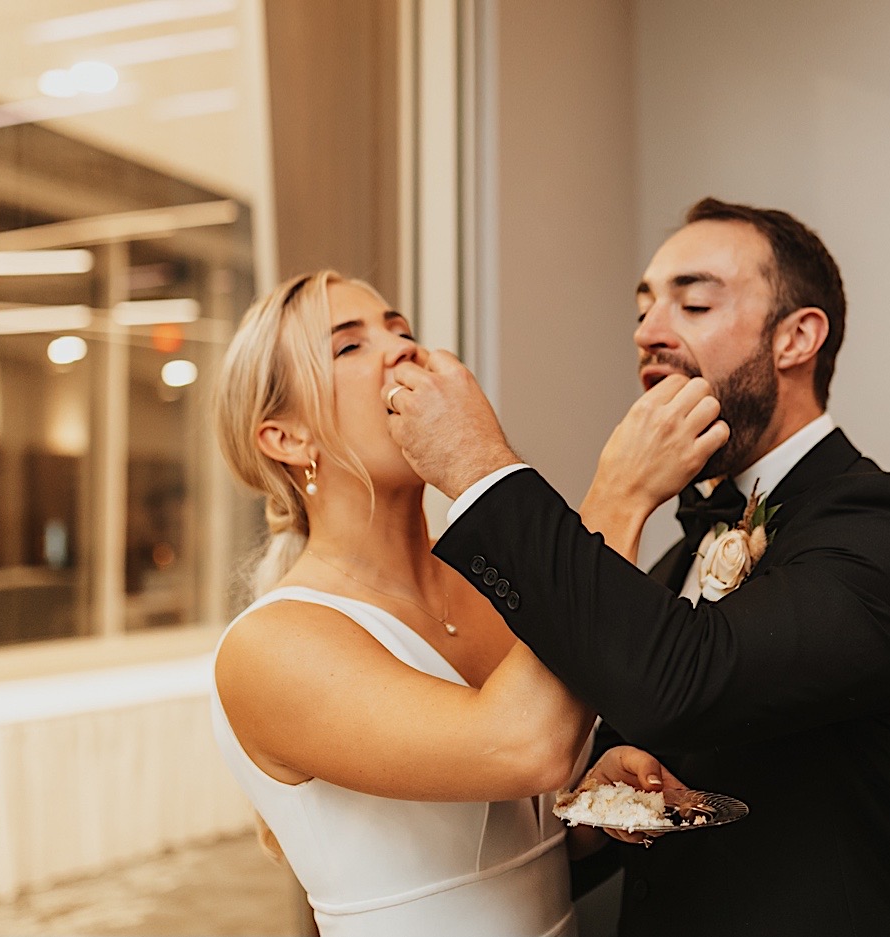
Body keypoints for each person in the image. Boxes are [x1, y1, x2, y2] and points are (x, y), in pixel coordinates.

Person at [384, 198, 890, 936]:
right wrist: (608, 794)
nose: (648, 330)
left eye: (693, 301)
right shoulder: (676, 563)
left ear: (797, 337)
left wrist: (482, 468)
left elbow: (686, 682)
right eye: (643, 307)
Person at [208, 271, 600, 937]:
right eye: (349, 347)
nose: (403, 351)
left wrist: (595, 806)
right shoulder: (267, 646)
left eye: (403, 330)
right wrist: (622, 488)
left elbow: (521, 836)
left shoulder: (490, 572)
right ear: (288, 438)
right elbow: (525, 746)